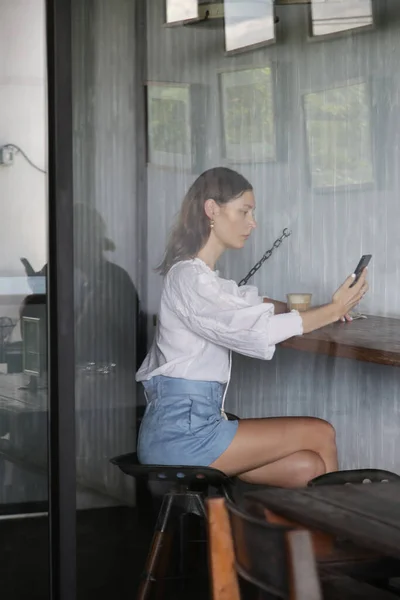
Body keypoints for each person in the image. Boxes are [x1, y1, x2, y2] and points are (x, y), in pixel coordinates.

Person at [136, 167, 369, 487]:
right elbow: (253, 330)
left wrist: (320, 309)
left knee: (308, 467)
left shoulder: (204, 279)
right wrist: (331, 311)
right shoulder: (188, 278)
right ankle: (338, 533)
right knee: (320, 432)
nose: (253, 222)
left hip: (194, 427)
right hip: (182, 436)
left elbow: (250, 304)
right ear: (212, 210)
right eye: (244, 211)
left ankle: (289, 536)